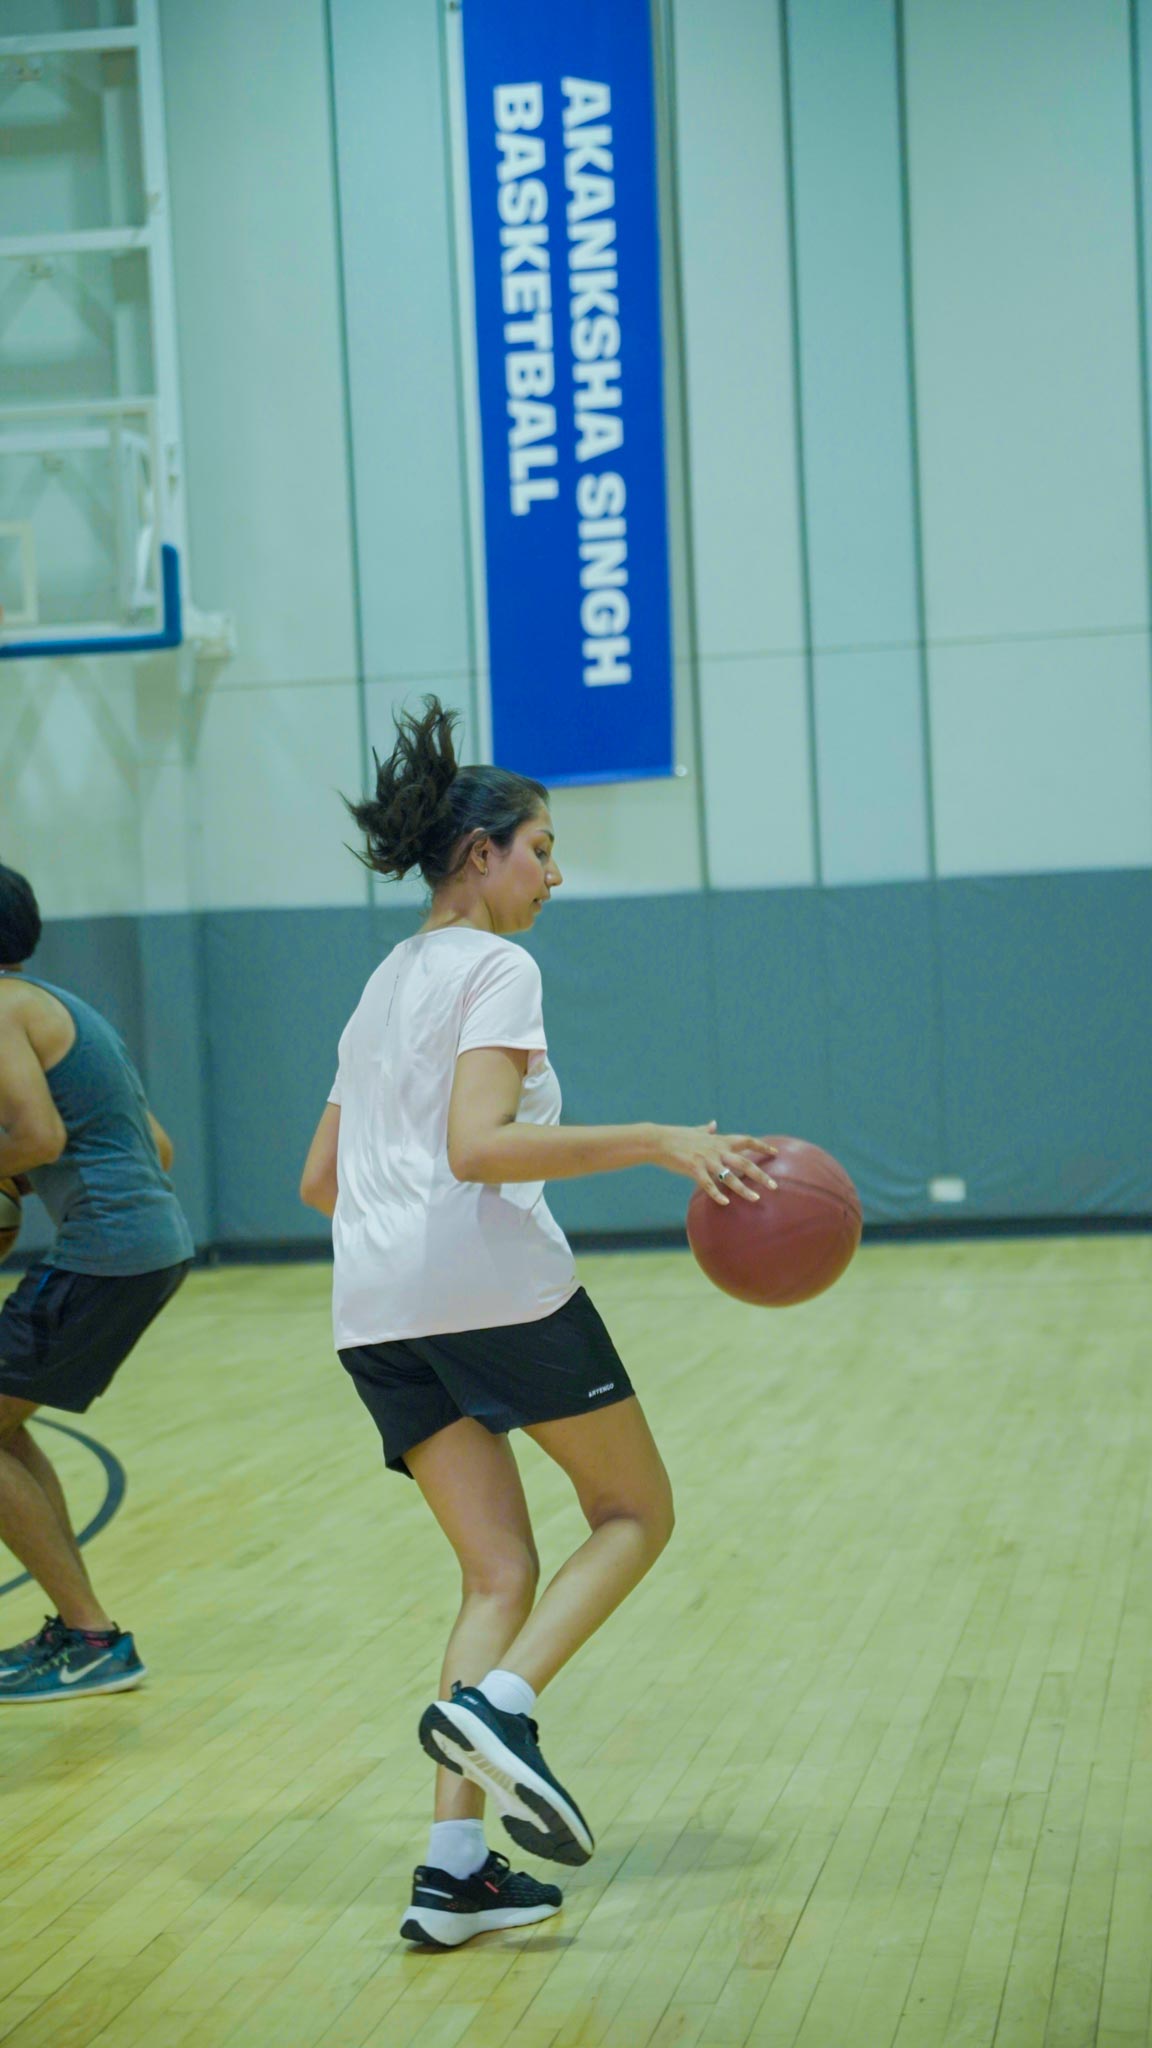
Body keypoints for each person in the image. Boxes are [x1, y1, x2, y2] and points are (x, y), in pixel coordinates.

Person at [300, 698, 776, 1950]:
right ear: (480, 855)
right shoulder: (498, 964)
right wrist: (660, 1140)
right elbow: (477, 1146)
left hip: (372, 1309)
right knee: (636, 1513)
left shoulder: (382, 980)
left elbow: (319, 1179)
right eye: (541, 847)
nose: (554, 873)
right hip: (492, 1285)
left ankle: (454, 1868)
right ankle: (505, 1706)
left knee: (497, 1569)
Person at [0, 863, 194, 1701]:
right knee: (4, 1426)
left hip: (110, 1252)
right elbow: (156, 1148)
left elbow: (37, 1137)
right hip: (147, 1243)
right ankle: (79, 1630)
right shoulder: (54, 1003)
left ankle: (92, 1640)